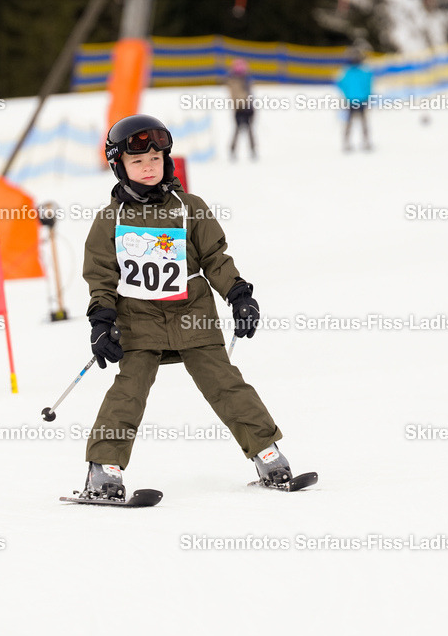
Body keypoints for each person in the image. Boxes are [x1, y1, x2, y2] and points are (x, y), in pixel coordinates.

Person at [79, 114, 293, 500]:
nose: (148, 167)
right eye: (137, 162)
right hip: (139, 318)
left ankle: (268, 453)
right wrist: (101, 319)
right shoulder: (110, 219)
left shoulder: (189, 208)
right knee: (128, 392)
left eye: (155, 160)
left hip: (192, 314)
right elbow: (101, 274)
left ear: (167, 162)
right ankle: (103, 470)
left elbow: (215, 258)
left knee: (226, 384)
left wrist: (239, 295)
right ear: (120, 167)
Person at [337, 51, 372, 151]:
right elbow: (368, 85)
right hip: (361, 100)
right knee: (363, 122)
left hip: (351, 100)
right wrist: (367, 96)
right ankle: (366, 141)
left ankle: (346, 142)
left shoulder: (346, 72)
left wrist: (347, 95)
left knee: (349, 122)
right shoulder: (364, 72)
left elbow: (340, 84)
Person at [225, 59, 256, 160]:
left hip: (246, 108)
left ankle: (252, 149)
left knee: (249, 130)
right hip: (240, 109)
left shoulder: (245, 81)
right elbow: (237, 96)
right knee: (238, 130)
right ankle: (233, 150)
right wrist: (244, 104)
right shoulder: (234, 81)